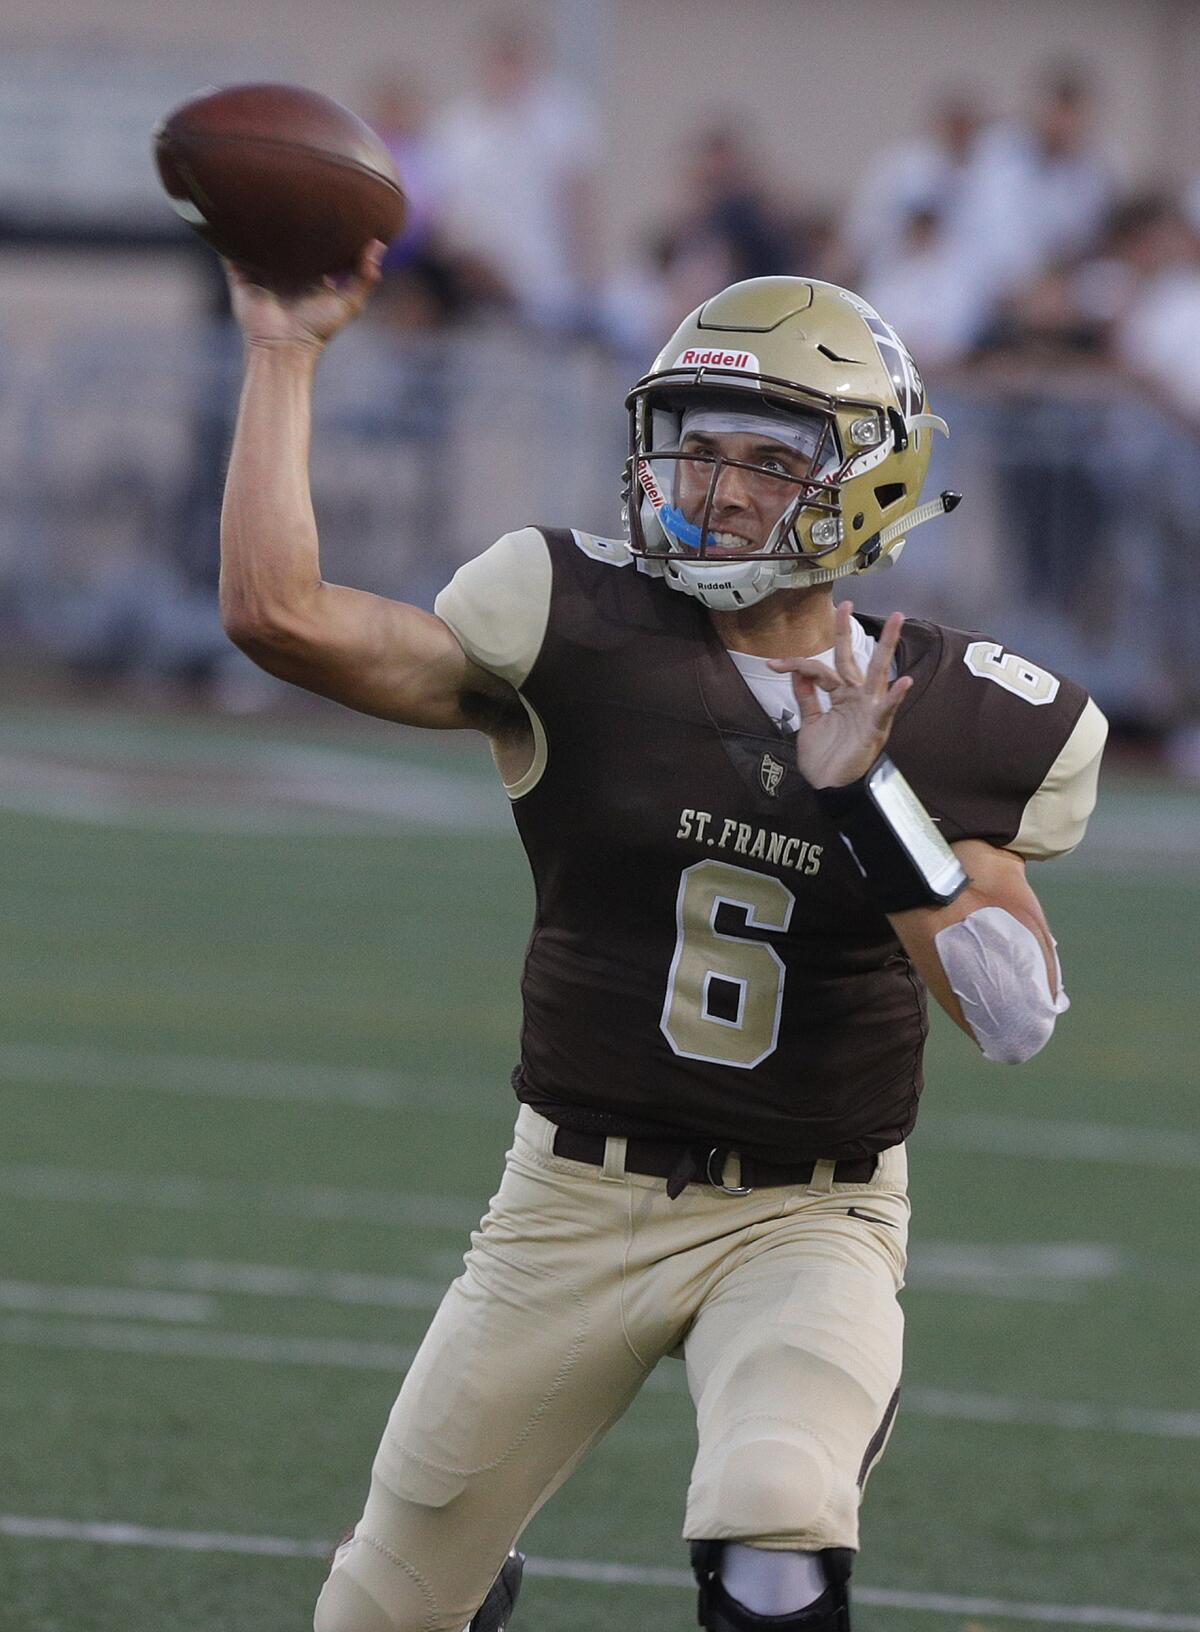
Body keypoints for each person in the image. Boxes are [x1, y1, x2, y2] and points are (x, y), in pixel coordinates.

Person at [219, 246, 1107, 1632]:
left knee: (772, 1525)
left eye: (769, 456)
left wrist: (867, 792)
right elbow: (279, 617)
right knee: (382, 1607)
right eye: (699, 451)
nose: (722, 486)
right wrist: (284, 351)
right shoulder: (572, 621)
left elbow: (1014, 1017)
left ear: (870, 474)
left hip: (809, 1209)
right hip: (565, 1201)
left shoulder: (957, 710)